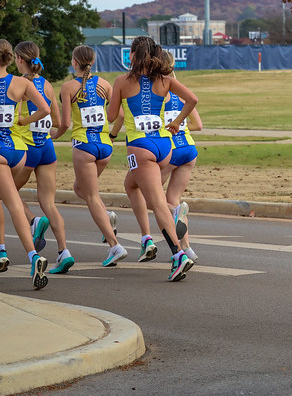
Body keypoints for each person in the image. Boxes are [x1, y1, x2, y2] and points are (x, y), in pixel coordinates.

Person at [107, 36, 197, 282]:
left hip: (140, 147)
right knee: (132, 185)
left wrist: (116, 100)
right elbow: (193, 100)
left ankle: (178, 254)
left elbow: (112, 114)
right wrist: (177, 122)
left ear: (133, 55)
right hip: (164, 146)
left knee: (157, 202)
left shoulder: (122, 81)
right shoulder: (164, 79)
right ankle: (168, 220)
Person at [54, 45, 126, 266]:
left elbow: (65, 123)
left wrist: (54, 135)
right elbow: (120, 115)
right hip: (105, 146)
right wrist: (112, 136)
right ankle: (107, 217)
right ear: (92, 62)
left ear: (74, 62)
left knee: (91, 197)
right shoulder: (105, 84)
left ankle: (114, 245)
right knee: (80, 189)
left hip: (84, 146)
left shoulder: (68, 87)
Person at [10, 41, 74, 274]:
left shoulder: (18, 85)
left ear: (19, 59)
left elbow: (12, 118)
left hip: (26, 147)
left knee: (6, 193)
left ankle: (33, 221)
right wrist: (55, 134)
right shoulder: (46, 85)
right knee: (49, 202)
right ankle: (64, 251)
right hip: (46, 147)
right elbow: (59, 121)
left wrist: (24, 122)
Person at [0, 38, 50, 289]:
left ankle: (33, 256)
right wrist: (22, 121)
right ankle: (0, 252)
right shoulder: (21, 83)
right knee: (5, 199)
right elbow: (45, 109)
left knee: (13, 205)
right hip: (16, 153)